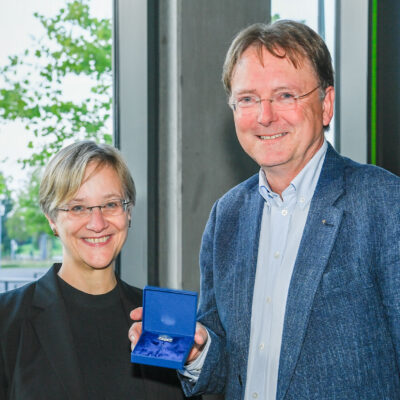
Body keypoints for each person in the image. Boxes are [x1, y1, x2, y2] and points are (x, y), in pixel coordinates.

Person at [130, 20, 400, 399]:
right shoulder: (227, 216)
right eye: (248, 99)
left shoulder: (385, 203)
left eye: (286, 95)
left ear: (326, 105)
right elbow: (230, 368)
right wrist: (198, 351)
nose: (265, 115)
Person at [0, 141, 189, 400]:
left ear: (128, 211)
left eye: (111, 204)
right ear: (52, 219)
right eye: (78, 208)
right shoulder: (6, 318)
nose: (97, 224)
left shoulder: (162, 317)